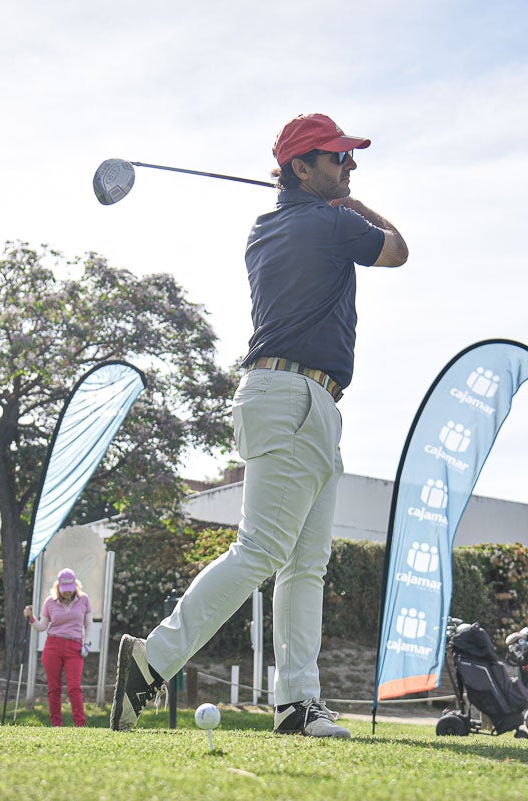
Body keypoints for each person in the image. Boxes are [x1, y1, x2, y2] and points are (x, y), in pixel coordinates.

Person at [110, 113, 408, 738]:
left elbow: (334, 221)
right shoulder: (329, 221)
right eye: (337, 158)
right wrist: (351, 201)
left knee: (306, 566)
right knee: (263, 553)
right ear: (302, 168)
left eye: (350, 159)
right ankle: (153, 660)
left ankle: (298, 704)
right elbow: (398, 249)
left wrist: (330, 194)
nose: (350, 166)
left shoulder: (269, 225)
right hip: (294, 396)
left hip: (304, 399)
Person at [25, 567, 93, 727]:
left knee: (74, 687)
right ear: (58, 587)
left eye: (70, 590)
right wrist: (31, 618)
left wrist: (87, 644)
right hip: (53, 646)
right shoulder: (50, 601)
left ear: (75, 586)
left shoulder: (84, 600)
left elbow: (88, 624)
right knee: (54, 688)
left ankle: (80, 725)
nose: (67, 593)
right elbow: (42, 626)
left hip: (75, 647)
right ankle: (56, 725)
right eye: (64, 590)